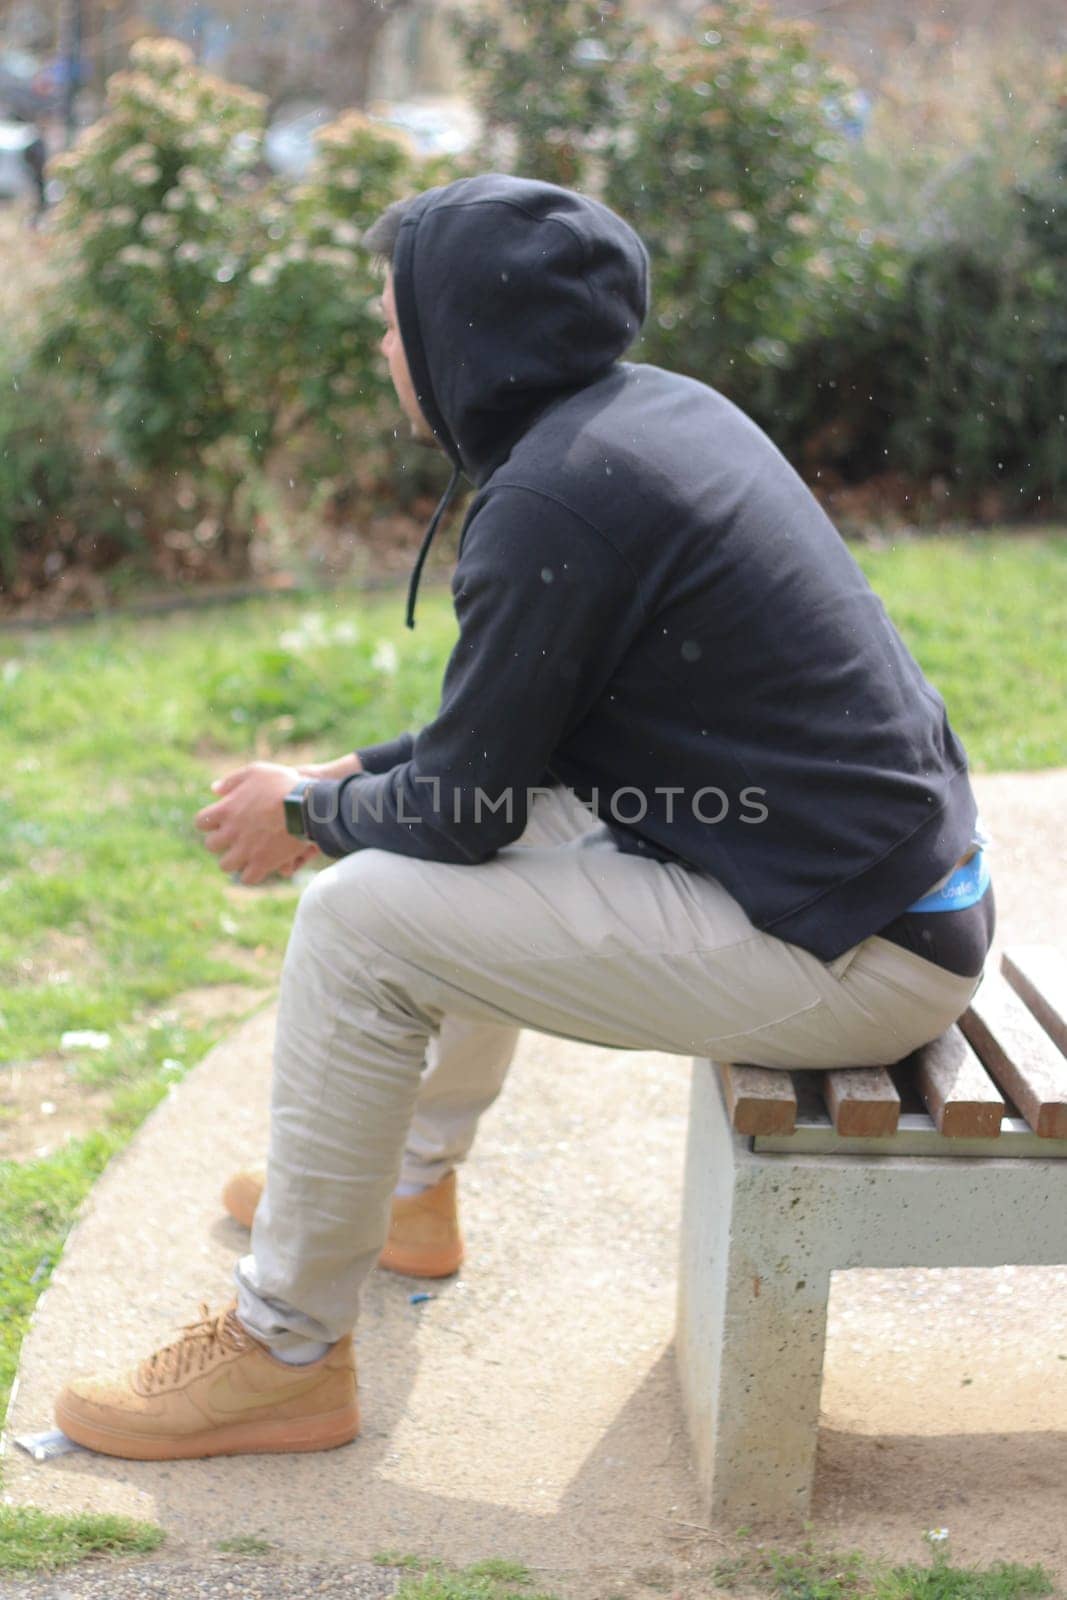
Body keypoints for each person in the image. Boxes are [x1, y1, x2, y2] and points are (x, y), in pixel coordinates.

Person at [55, 173, 995, 1460]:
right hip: (853, 885)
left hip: (855, 949)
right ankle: (401, 1196)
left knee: (358, 918)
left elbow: (456, 810)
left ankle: (285, 1353)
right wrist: (343, 783)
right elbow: (496, 765)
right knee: (426, 856)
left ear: (463, 332)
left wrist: (316, 816)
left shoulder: (556, 499)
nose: (382, 344)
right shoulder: (652, 419)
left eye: (392, 318)